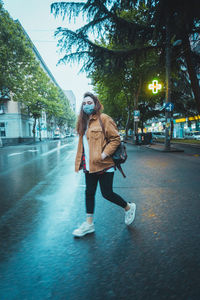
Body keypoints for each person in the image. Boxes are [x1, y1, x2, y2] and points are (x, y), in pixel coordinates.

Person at [73, 92, 136, 237]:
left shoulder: (104, 119)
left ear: (95, 104)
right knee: (89, 193)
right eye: (84, 104)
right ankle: (89, 224)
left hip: (104, 164)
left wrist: (104, 154)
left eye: (89, 102)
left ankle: (128, 207)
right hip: (89, 165)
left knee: (107, 193)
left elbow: (115, 139)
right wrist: (80, 163)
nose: (87, 105)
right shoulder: (83, 123)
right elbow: (83, 145)